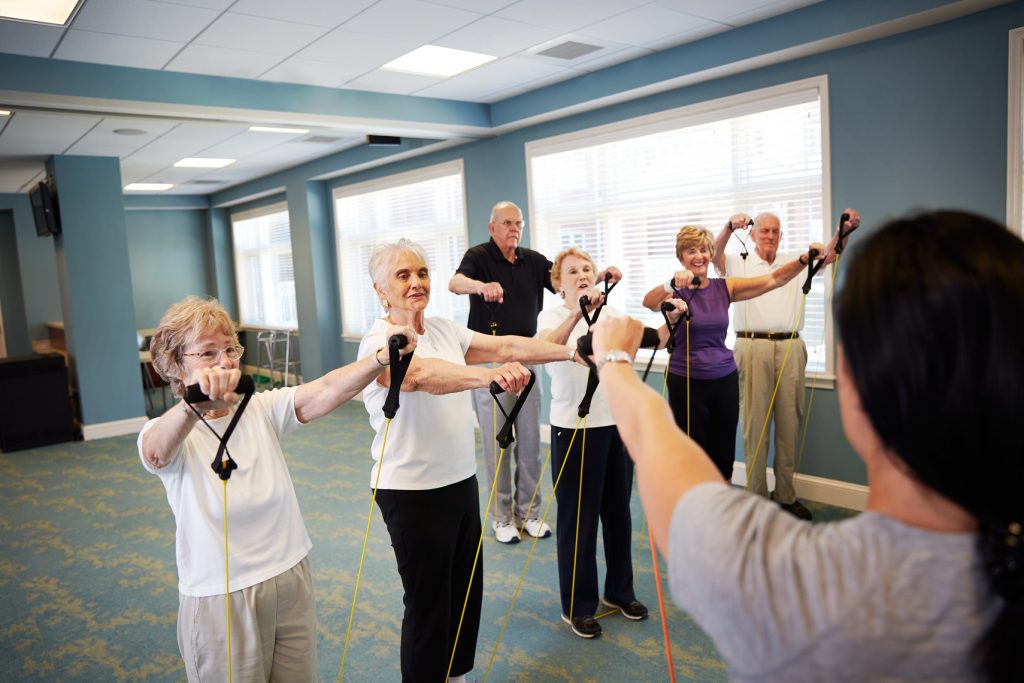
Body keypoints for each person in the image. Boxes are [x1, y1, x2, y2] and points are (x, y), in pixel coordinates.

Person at [591, 209, 1024, 682]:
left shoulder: (777, 575)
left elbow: (662, 459)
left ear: (856, 383)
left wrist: (612, 359)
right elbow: (658, 299)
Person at [138, 295, 417, 683]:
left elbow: (324, 391)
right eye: (207, 352)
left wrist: (378, 360)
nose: (225, 361)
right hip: (223, 595)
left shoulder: (258, 408)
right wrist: (195, 403)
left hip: (290, 575)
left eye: (229, 349)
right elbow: (155, 454)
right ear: (175, 365)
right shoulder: (168, 430)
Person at [360, 238, 583, 683]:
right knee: (428, 605)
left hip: (459, 482)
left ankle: (456, 677)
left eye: (421, 273)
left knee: (464, 597)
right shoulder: (380, 340)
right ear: (380, 288)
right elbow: (419, 376)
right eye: (402, 276)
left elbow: (507, 348)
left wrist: (572, 351)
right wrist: (486, 378)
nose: (415, 282)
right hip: (410, 491)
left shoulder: (442, 328)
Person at [449, 200, 621, 544]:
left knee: (530, 441)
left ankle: (528, 512)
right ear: (492, 227)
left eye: (519, 223)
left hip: (529, 360)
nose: (514, 228)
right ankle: (501, 516)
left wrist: (597, 276)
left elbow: (564, 282)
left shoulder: (532, 260)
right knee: (499, 442)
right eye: (508, 223)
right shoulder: (479, 257)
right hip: (491, 364)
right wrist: (479, 287)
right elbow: (455, 283)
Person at [537, 247, 683, 639]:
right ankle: (577, 605)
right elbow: (547, 347)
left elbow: (651, 338)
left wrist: (673, 318)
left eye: (587, 268)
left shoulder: (614, 316)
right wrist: (576, 312)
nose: (582, 274)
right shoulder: (551, 316)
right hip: (575, 427)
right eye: (572, 271)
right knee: (578, 520)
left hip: (616, 425)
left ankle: (619, 592)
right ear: (558, 281)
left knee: (618, 514)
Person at [641, 224, 825, 485]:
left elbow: (775, 279)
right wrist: (669, 283)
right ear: (681, 257)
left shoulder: (723, 288)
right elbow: (648, 302)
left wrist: (804, 260)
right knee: (692, 455)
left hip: (724, 380)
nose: (699, 256)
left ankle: (722, 515)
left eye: (704, 249)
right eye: (691, 251)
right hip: (687, 381)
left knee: (723, 454)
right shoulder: (675, 290)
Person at [709, 210, 860, 519]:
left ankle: (786, 496)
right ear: (752, 235)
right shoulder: (739, 261)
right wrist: (727, 227)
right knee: (755, 427)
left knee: (790, 426)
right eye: (764, 230)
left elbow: (829, 255)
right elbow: (713, 253)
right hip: (751, 346)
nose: (770, 235)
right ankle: (756, 499)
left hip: (791, 347)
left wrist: (844, 230)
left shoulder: (796, 260)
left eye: (775, 231)